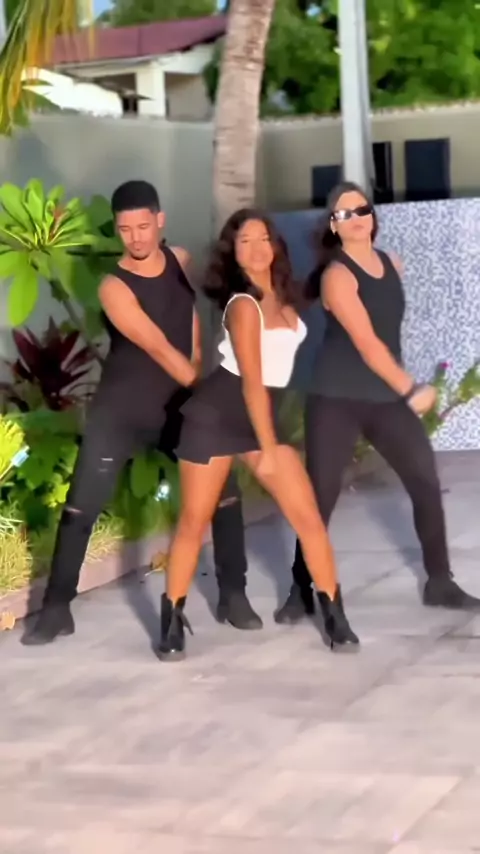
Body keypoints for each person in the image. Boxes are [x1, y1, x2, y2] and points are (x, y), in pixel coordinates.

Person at [22, 181, 261, 646]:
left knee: (224, 493)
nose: (135, 237)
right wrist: (207, 391)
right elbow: (158, 347)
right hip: (123, 408)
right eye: (126, 229)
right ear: (117, 229)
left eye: (143, 227)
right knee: (80, 505)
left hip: (179, 405)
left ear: (159, 221)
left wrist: (202, 362)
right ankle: (56, 609)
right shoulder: (113, 287)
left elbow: (191, 313)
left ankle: (234, 595)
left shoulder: (181, 261)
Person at [156, 208, 360, 662]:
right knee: (194, 521)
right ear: (233, 252)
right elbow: (251, 380)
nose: (255, 249)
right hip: (218, 415)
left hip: (260, 413)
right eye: (244, 241)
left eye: (262, 238)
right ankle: (171, 619)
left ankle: (335, 615)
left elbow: (327, 278)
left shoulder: (285, 295)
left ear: (275, 245)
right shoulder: (243, 305)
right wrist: (268, 447)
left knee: (308, 517)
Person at [275, 180, 480, 630]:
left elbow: (386, 334)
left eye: (361, 210)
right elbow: (367, 344)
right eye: (344, 214)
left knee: (424, 480)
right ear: (333, 225)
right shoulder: (336, 276)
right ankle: (300, 590)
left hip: (383, 398)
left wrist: (399, 391)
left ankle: (439, 582)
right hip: (337, 397)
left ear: (372, 216)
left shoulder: (392, 264)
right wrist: (411, 388)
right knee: (320, 499)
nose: (355, 219)